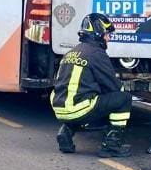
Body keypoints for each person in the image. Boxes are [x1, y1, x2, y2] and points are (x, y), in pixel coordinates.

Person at [50, 13, 133, 158]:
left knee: (86, 99)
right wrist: (121, 90)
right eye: (107, 35)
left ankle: (66, 131)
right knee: (123, 99)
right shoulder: (97, 53)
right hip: (78, 109)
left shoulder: (71, 52)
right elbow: (113, 86)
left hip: (59, 108)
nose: (108, 38)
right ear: (98, 34)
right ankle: (111, 145)